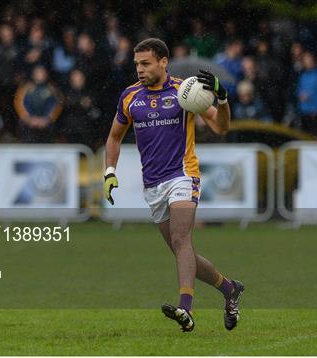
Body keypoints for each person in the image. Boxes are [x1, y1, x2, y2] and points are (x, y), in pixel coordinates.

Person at [103, 38, 244, 332]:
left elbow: (221, 126)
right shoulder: (130, 96)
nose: (140, 69)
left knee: (182, 241)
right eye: (137, 64)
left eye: (146, 63)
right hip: (152, 185)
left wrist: (222, 98)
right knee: (184, 252)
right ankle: (229, 289)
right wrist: (110, 172)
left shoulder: (185, 91)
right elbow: (114, 137)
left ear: (163, 62)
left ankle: (186, 309)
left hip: (182, 176)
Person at [13, 65, 63, 143]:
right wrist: (28, 118)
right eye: (38, 72)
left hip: (47, 122)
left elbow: (58, 104)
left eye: (42, 72)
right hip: (28, 122)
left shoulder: (52, 88)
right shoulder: (25, 87)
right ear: (33, 74)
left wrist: (48, 119)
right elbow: (18, 103)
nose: (40, 74)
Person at [296, 51, 317, 135]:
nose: (306, 62)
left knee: (314, 138)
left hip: (314, 113)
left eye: (308, 59)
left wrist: (316, 109)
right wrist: (300, 96)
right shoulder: (303, 75)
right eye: (305, 60)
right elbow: (298, 89)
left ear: (313, 60)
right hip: (303, 111)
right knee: (303, 136)